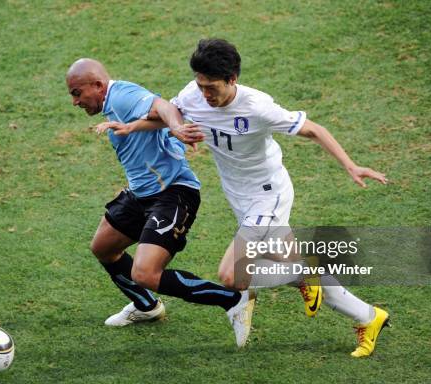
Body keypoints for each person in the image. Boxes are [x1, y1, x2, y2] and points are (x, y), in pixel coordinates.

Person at [98, 39, 391, 358]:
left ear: (232, 79)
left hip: (269, 196)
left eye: (212, 87)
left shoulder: (257, 107)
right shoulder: (193, 96)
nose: (205, 95)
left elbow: (314, 130)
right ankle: (369, 317)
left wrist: (351, 165)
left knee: (232, 274)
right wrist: (132, 127)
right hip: (240, 199)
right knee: (289, 265)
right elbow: (169, 117)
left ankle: (306, 275)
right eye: (201, 85)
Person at [65, 58, 256, 347]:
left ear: (98, 85)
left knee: (145, 272)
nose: (75, 102)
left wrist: (177, 128)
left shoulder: (123, 96)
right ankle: (147, 308)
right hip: (141, 194)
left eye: (77, 93)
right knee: (103, 248)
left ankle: (232, 299)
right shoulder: (111, 103)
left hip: (174, 194)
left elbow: (164, 106)